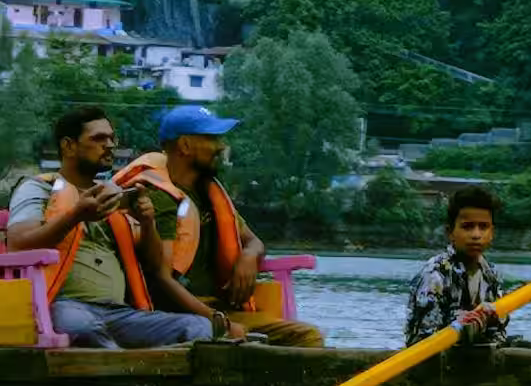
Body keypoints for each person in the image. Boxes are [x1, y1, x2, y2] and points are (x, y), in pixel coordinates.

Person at [5, 107, 215, 349]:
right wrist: (76, 216)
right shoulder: (38, 188)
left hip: (119, 313)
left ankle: (127, 368)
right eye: (98, 138)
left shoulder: (114, 196)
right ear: (68, 146)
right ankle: (128, 371)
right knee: (82, 327)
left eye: (111, 138)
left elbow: (157, 266)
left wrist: (147, 223)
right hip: (61, 306)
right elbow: (18, 245)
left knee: (198, 327)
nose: (110, 145)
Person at [125, 105, 324, 347]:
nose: (221, 147)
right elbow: (161, 279)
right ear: (185, 146)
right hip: (184, 315)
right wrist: (220, 322)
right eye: (212, 139)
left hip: (222, 308)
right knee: (303, 339)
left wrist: (249, 256)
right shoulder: (160, 198)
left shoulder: (208, 192)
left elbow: (253, 241)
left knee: (306, 336)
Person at [404, 186, 512, 346]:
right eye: (467, 226)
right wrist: (460, 327)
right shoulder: (435, 275)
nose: (476, 235)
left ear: (492, 233)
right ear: (450, 232)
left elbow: (498, 334)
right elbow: (420, 341)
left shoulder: (491, 275)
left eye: (483, 227)